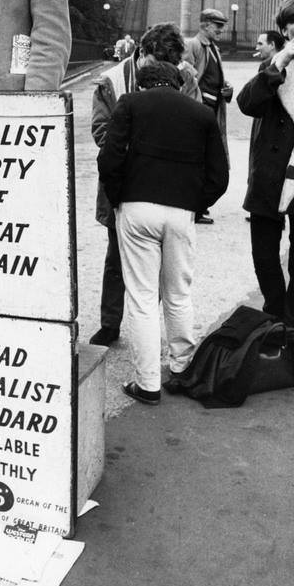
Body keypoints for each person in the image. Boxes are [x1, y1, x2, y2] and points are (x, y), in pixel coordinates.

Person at [98, 62, 229, 404]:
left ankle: (147, 383)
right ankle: (183, 368)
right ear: (178, 83)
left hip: (136, 206)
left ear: (142, 85)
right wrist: (193, 203)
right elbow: (220, 175)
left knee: (142, 298)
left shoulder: (130, 104)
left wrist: (118, 199)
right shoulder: (201, 114)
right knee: (178, 293)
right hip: (181, 211)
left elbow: (109, 159)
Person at [90, 22, 202, 346]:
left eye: (172, 65)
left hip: (168, 187)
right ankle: (110, 323)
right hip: (125, 184)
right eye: (157, 64)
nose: (165, 72)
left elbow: (196, 126)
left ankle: (147, 326)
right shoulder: (110, 82)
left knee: (168, 266)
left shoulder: (187, 77)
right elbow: (100, 133)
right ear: (142, 53)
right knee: (116, 259)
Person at [237, 0, 294, 333]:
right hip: (271, 176)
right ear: (285, 30)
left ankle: (292, 326)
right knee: (263, 254)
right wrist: (278, 61)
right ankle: (275, 312)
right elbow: (247, 103)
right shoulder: (278, 66)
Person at [183, 8, 233, 224]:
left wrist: (226, 90)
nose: (222, 29)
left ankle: (200, 204)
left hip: (213, 111)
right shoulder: (193, 45)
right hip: (201, 112)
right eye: (217, 25)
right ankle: (195, 207)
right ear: (204, 25)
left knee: (209, 159)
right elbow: (186, 76)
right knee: (199, 159)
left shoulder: (213, 47)